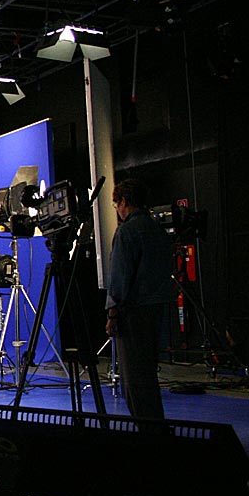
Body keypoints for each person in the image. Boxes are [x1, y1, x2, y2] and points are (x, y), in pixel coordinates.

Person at [105, 179, 174, 420]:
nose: (117, 210)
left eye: (116, 204)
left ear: (124, 201)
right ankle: (156, 425)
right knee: (148, 375)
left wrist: (112, 313)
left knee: (134, 380)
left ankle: (149, 430)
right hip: (156, 309)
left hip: (133, 313)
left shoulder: (127, 231)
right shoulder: (156, 229)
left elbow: (120, 277)